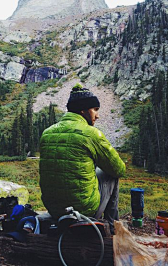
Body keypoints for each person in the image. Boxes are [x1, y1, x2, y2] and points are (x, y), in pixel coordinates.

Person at [39, 83, 126, 233]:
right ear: (83, 110)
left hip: (54, 210)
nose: (97, 115)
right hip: (84, 211)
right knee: (111, 173)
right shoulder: (91, 133)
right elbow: (119, 169)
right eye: (95, 110)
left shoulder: (47, 132)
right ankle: (112, 227)